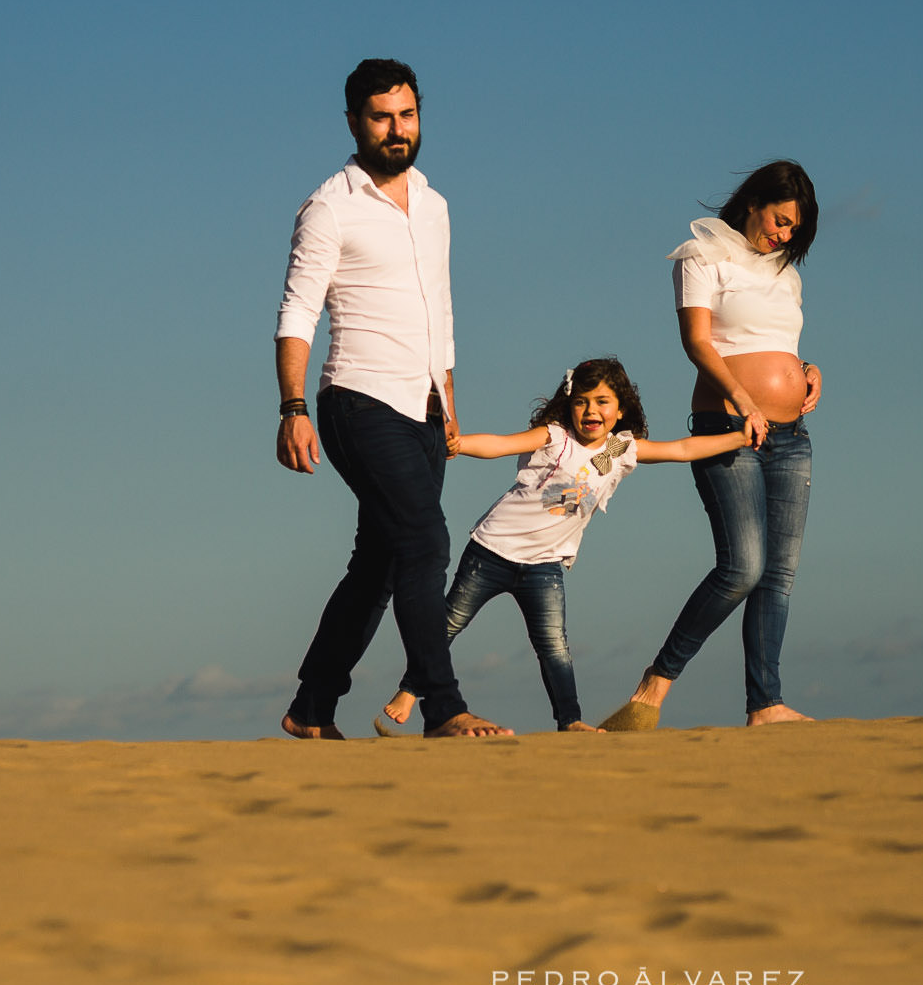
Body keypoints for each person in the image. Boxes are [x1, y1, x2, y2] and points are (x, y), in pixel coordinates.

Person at [272, 58, 510, 740]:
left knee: (378, 563)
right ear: (354, 122)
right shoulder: (329, 207)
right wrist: (292, 408)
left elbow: (440, 309)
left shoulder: (434, 205)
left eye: (407, 114)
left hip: (426, 409)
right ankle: (444, 706)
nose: (396, 129)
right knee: (424, 538)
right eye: (381, 117)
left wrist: (450, 400)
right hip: (357, 399)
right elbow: (297, 314)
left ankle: (312, 705)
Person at [376, 358, 753, 734]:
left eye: (603, 402)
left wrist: (739, 437)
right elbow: (501, 445)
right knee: (446, 624)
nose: (591, 410)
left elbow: (682, 449)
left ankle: (570, 720)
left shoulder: (615, 452)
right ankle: (409, 690)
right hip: (492, 551)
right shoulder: (556, 438)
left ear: (620, 409)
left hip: (544, 565)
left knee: (555, 647)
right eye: (582, 401)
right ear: (569, 405)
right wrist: (459, 444)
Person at [601, 161, 823, 730]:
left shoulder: (785, 273)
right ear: (753, 202)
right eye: (780, 221)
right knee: (742, 567)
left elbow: (774, 340)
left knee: (779, 574)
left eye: (794, 229)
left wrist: (806, 371)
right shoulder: (702, 255)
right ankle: (656, 683)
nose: (784, 235)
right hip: (727, 426)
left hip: (791, 437)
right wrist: (745, 399)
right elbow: (698, 341)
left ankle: (765, 704)